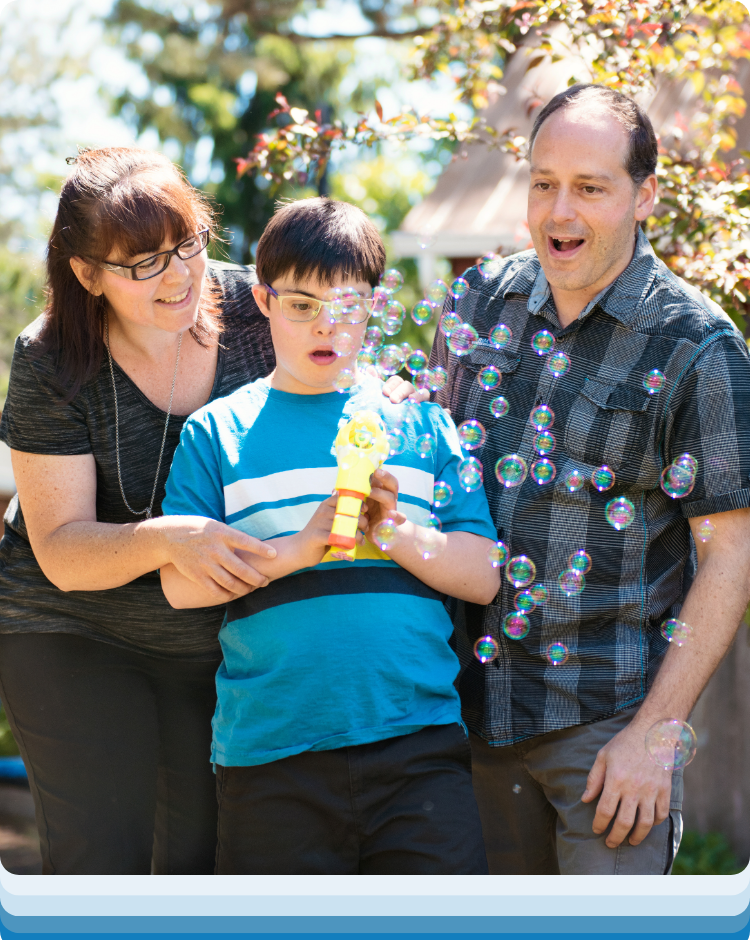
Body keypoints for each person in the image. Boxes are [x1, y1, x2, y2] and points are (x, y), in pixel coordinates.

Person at [0, 147, 417, 874]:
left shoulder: (256, 309)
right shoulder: (50, 359)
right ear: (87, 273)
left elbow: (342, 357)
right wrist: (170, 537)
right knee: (103, 854)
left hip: (210, 636)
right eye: (144, 263)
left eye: (187, 244)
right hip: (71, 628)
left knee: (197, 861)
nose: (179, 275)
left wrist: (391, 400)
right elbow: (61, 550)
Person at [428, 83, 750, 875]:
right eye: (543, 183)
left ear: (645, 196)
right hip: (463, 724)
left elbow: (732, 557)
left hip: (606, 739)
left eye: (590, 188)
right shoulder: (477, 303)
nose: (558, 212)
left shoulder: (698, 347)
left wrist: (655, 734)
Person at [160, 197, 499, 874]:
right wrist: (302, 546)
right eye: (301, 304)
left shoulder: (421, 425)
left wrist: (397, 531)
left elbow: (485, 573)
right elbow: (180, 585)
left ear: (374, 303)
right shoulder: (219, 432)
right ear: (262, 299)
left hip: (418, 748)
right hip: (272, 755)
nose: (326, 325)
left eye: (346, 304)